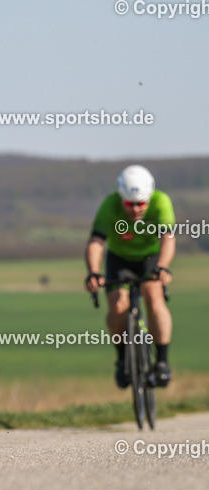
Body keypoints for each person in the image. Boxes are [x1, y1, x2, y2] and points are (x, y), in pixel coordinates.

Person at [84, 165, 175, 388]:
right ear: (121, 198)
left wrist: (162, 267)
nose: (135, 209)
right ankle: (123, 358)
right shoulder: (110, 205)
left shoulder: (161, 202)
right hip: (120, 258)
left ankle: (162, 362)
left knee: (153, 296)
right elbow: (96, 242)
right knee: (117, 306)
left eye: (141, 203)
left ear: (149, 198)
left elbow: (167, 238)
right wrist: (94, 272)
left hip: (150, 258)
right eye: (129, 204)